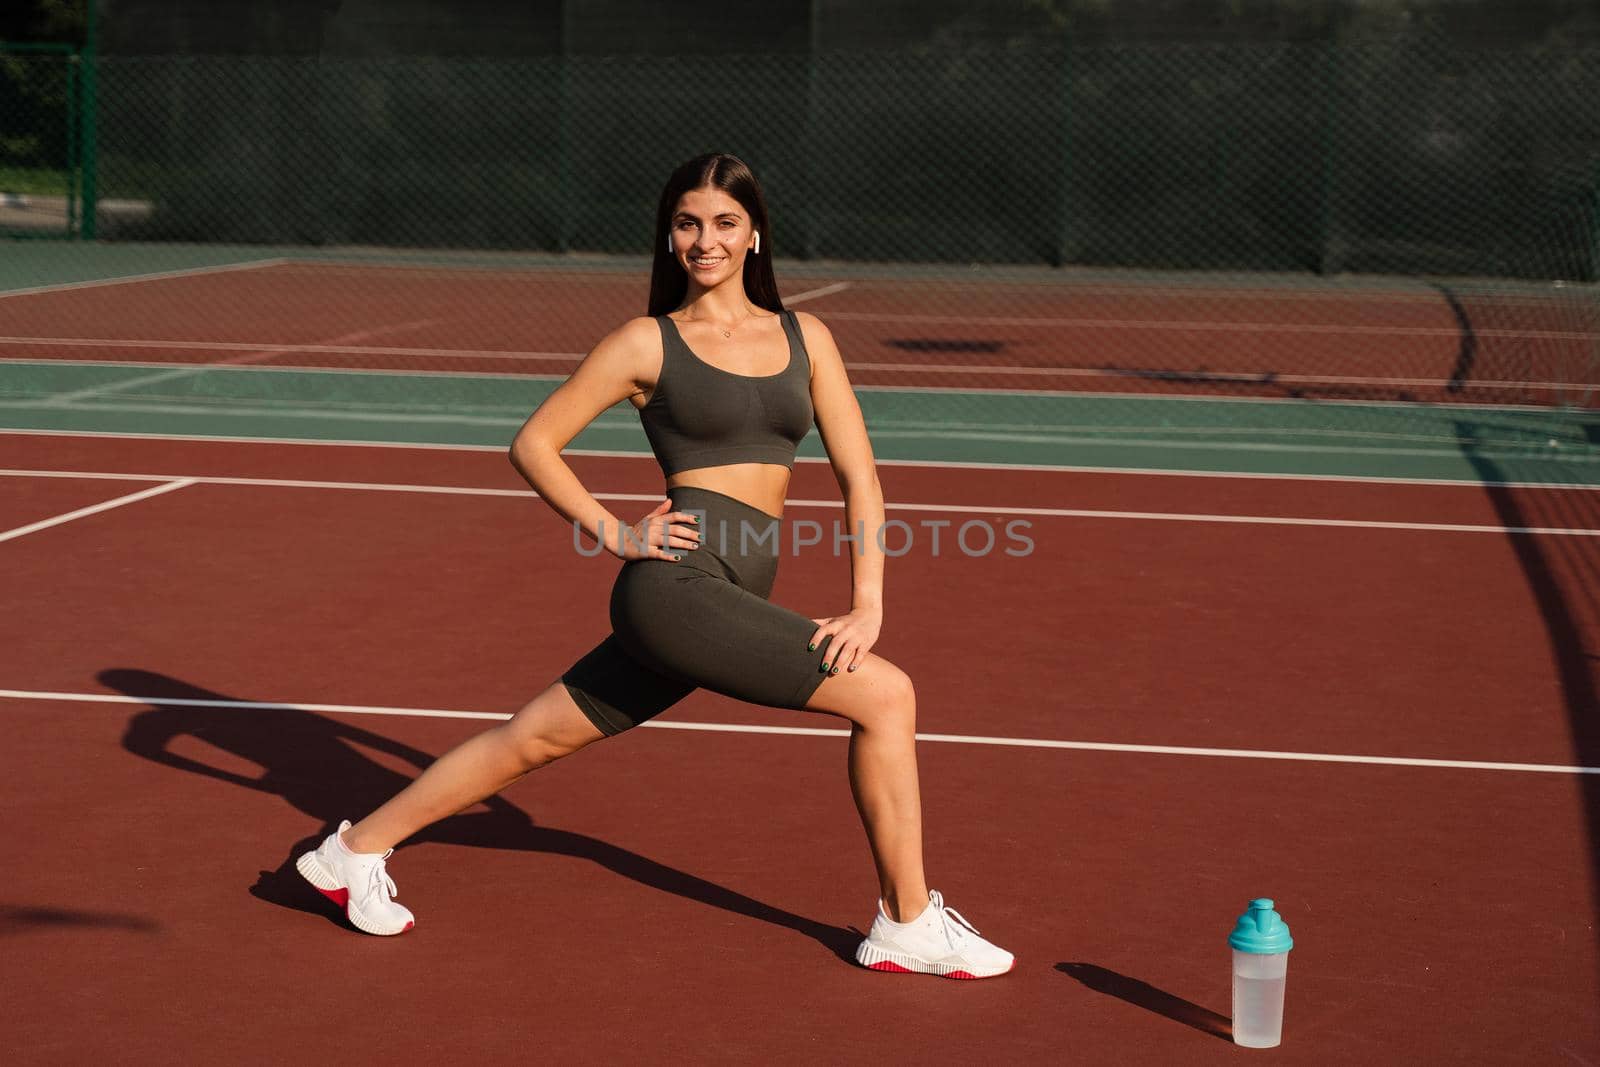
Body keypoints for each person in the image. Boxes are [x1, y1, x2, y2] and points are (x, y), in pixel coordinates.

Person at [295, 152, 1013, 979]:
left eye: (723, 223)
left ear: (755, 235)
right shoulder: (647, 342)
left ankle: (353, 850)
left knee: (531, 739)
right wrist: (613, 531)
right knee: (886, 695)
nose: (704, 240)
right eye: (687, 223)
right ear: (669, 238)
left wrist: (868, 601)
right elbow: (534, 443)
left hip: (724, 590)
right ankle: (908, 918)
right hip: (675, 588)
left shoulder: (805, 336)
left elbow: (862, 475)